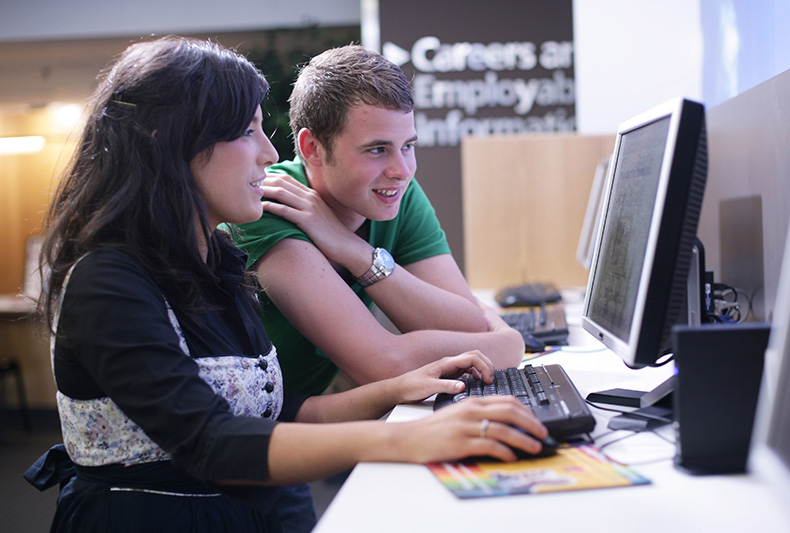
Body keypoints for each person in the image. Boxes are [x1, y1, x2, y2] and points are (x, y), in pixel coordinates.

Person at [23, 36, 549, 532]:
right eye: (246, 132)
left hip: (257, 501)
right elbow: (212, 443)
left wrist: (397, 391)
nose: (269, 156)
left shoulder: (216, 258)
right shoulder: (107, 281)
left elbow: (278, 410)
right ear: (173, 145)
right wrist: (407, 435)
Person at [232, 45, 524, 397]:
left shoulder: (396, 192)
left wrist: (354, 251)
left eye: (407, 146)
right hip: (265, 435)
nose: (401, 171)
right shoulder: (267, 204)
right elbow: (385, 365)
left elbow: (469, 324)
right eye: (376, 149)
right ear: (312, 148)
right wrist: (508, 342)